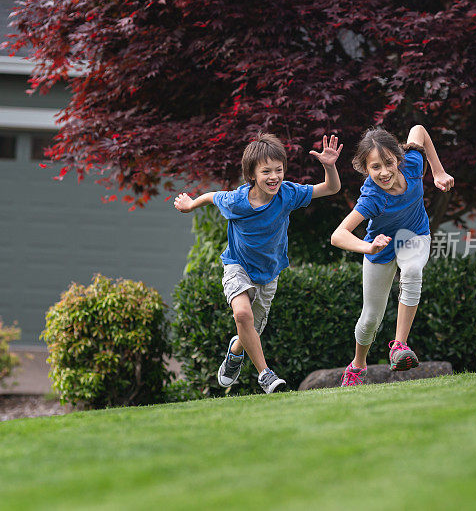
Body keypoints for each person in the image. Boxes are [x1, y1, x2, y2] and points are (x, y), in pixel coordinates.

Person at [175, 133, 342, 393]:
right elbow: (212, 196)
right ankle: (266, 375)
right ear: (252, 174)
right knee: (242, 314)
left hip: (268, 273)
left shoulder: (287, 194)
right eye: (266, 171)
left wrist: (329, 167)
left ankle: (235, 352)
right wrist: (190, 204)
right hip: (237, 265)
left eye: (279, 170)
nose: (274, 176)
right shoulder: (236, 201)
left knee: (250, 330)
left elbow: (331, 189)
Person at [330, 125, 454, 386]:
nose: (384, 172)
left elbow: (418, 130)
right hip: (380, 248)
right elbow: (338, 235)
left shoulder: (413, 164)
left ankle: (399, 345)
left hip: (415, 235)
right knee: (370, 320)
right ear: (366, 169)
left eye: (389, 163)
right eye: (375, 167)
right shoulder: (372, 197)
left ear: (399, 158)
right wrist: (369, 247)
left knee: (411, 271)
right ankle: (357, 366)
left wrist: (438, 170)